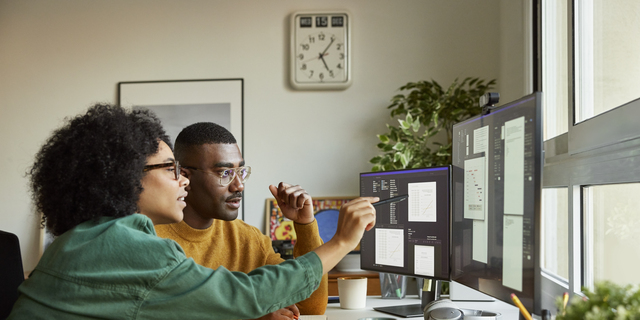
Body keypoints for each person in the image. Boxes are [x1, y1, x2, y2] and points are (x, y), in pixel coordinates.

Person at [8, 104, 378, 319]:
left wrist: (307, 227)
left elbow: (304, 306)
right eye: (171, 170)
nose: (181, 181)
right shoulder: (132, 247)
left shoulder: (82, 240)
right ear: (126, 177)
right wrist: (343, 241)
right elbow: (242, 296)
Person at [154, 122, 328, 317]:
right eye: (225, 173)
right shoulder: (150, 239)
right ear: (185, 177)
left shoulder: (248, 239)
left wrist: (305, 225)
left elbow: (310, 308)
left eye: (241, 172)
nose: (239, 186)